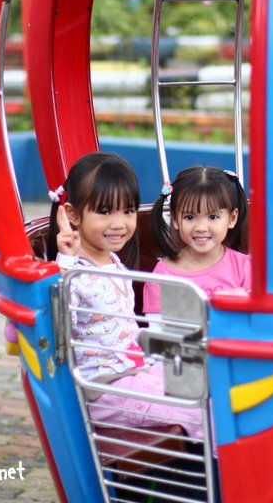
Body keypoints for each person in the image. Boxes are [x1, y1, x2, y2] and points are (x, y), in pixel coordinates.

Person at [48, 151, 204, 440]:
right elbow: (56, 321)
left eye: (128, 211)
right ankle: (226, 478)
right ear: (72, 214)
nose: (120, 223)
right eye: (105, 212)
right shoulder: (74, 272)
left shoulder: (111, 260)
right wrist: (66, 262)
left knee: (206, 381)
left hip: (131, 372)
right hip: (104, 389)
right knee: (198, 407)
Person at [144, 165, 250, 314]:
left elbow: (257, 323)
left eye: (213, 217)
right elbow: (158, 328)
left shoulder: (245, 268)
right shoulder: (163, 274)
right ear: (175, 219)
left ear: (232, 218)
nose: (201, 227)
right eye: (189, 217)